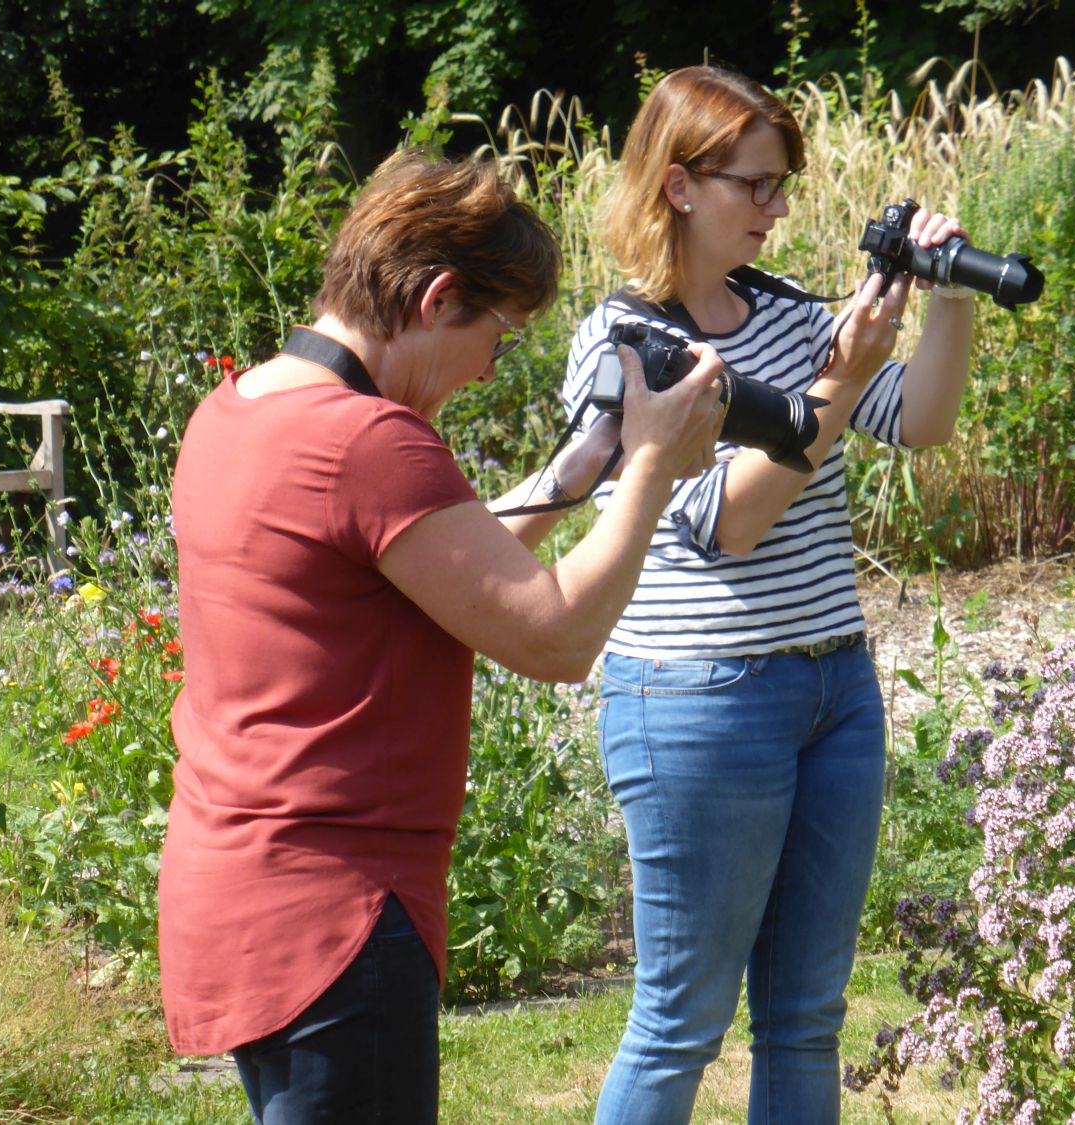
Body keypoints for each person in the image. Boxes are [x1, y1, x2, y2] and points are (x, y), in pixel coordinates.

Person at [158, 148, 726, 1124]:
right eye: (499, 335)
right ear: (438, 298)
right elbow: (556, 640)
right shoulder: (369, 442)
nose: (491, 367)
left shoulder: (236, 412)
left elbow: (429, 566)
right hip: (337, 920)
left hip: (237, 892)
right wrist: (648, 468)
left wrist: (581, 466)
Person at [559, 66, 977, 1124]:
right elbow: (727, 524)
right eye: (756, 184)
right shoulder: (627, 345)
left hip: (834, 688)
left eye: (783, 184)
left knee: (804, 1019)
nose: (777, 208)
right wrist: (841, 380)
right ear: (679, 184)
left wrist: (951, 296)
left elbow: (923, 421)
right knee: (680, 1022)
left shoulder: (788, 312)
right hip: (699, 699)